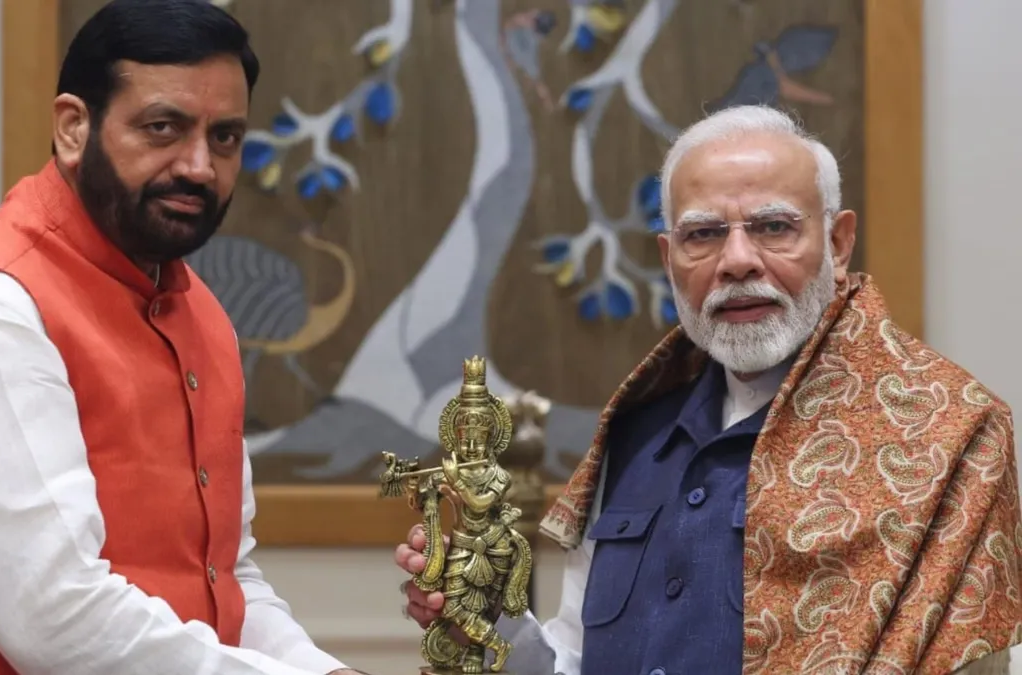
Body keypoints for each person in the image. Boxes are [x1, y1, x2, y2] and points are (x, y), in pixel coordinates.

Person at [397, 105, 1022, 675]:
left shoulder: (950, 437)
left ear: (837, 242)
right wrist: (490, 618)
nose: (738, 260)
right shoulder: (637, 430)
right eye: (704, 234)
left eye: (774, 227)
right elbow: (578, 662)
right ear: (670, 257)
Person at [0, 1, 365, 674]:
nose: (199, 167)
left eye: (225, 138)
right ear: (73, 128)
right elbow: (57, 619)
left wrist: (322, 668)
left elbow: (225, 579)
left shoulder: (199, 311)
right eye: (163, 128)